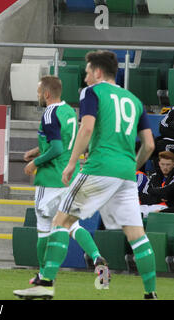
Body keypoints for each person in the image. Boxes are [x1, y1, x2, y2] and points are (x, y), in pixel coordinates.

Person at [14, 50, 157, 300]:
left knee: (60, 222)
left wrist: (71, 164)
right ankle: (150, 293)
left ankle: (45, 284)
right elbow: (149, 145)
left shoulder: (92, 93)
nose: (85, 77)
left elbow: (87, 128)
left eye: (88, 72)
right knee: (137, 235)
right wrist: (131, 165)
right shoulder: (134, 101)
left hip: (99, 167)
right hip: (125, 173)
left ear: (98, 72)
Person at [22, 76, 105, 285]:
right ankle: (96, 257)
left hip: (51, 179)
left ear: (47, 94)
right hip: (71, 176)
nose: (38, 95)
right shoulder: (68, 110)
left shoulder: (49, 114)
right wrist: (35, 150)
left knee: (43, 229)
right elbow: (62, 142)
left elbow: (57, 148)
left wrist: (35, 163)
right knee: (72, 226)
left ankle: (43, 275)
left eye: (39, 91)